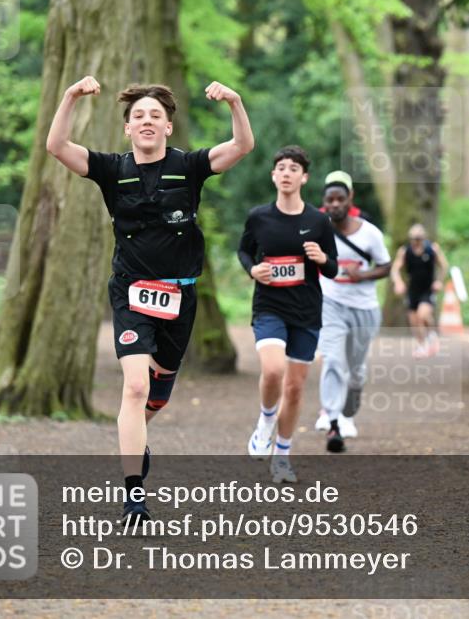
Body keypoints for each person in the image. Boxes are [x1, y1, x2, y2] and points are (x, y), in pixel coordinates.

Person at [46, 76, 253, 523]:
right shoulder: (111, 169)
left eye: (155, 115)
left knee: (155, 398)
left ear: (167, 127)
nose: (146, 121)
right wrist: (70, 96)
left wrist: (234, 102)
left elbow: (241, 146)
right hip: (131, 292)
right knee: (135, 387)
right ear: (127, 128)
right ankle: (134, 498)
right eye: (138, 115)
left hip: (180, 296)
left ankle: (136, 441)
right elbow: (57, 146)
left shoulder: (189, 166)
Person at [237, 146, 338, 483]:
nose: (286, 173)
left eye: (293, 168)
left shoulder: (318, 221)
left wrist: (322, 258)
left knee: (294, 389)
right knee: (273, 369)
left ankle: (281, 456)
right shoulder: (259, 217)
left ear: (304, 178)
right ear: (273, 175)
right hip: (269, 306)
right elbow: (244, 251)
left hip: (306, 311)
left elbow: (334, 267)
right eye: (281, 167)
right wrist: (253, 270)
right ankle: (265, 420)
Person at [312, 171, 391, 452]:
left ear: (350, 200)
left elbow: (386, 266)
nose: (335, 205)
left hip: (364, 308)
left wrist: (364, 275)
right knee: (333, 360)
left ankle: (348, 412)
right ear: (324, 202)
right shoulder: (317, 229)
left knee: (356, 371)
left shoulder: (370, 233)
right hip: (330, 303)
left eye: (340, 199)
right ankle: (333, 421)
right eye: (330, 200)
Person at [391, 224, 448, 358]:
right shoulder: (404, 251)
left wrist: (439, 281)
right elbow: (395, 269)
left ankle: (432, 334)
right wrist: (398, 282)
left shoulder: (432, 249)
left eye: (419, 239)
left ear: (424, 238)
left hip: (427, 289)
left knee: (422, 315)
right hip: (412, 290)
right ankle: (422, 345)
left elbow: (444, 266)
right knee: (413, 321)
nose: (416, 242)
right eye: (414, 239)